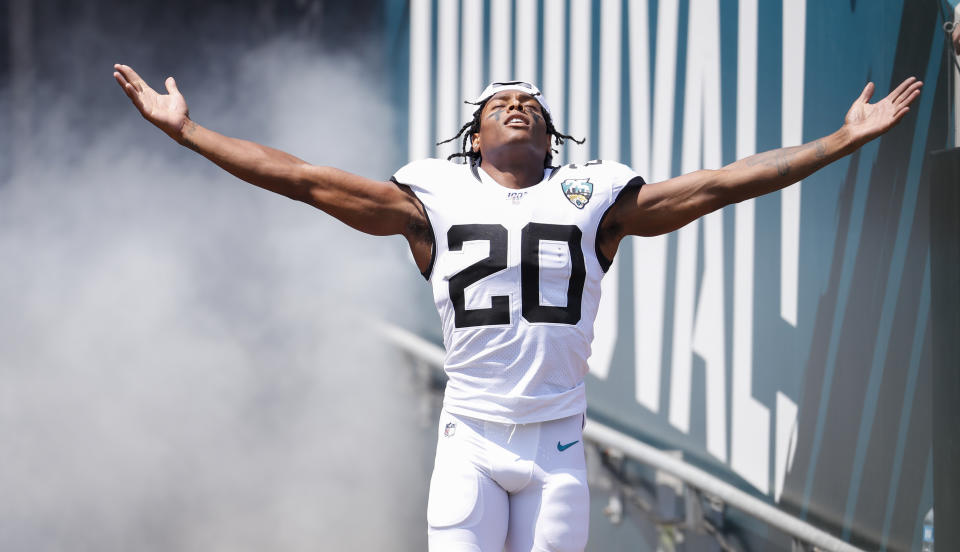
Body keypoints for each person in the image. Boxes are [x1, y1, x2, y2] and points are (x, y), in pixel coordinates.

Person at [113, 64, 922, 552]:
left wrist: (841, 142)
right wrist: (192, 134)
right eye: (501, 100)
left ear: (552, 135)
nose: (518, 103)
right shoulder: (428, 196)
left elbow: (719, 183)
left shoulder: (594, 196)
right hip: (469, 438)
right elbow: (298, 176)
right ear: (471, 136)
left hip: (558, 444)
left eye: (531, 102)